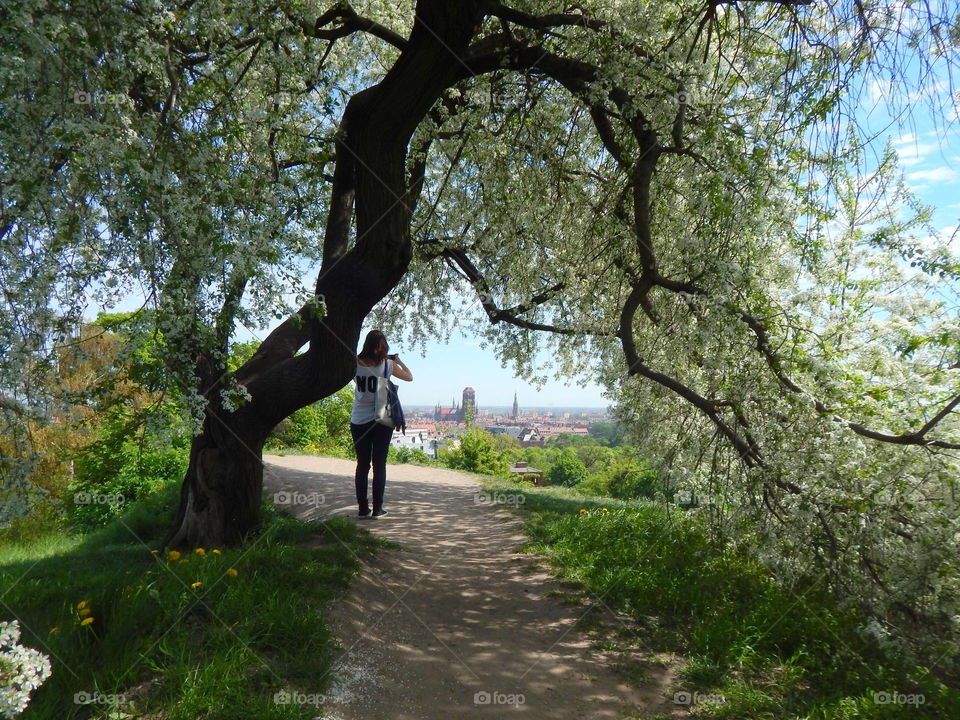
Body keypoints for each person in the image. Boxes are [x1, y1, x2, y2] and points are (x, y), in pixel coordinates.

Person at [349, 330, 413, 518]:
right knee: (379, 465)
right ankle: (378, 509)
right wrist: (399, 361)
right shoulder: (388, 365)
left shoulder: (354, 363)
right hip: (382, 420)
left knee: (362, 465)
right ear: (384, 347)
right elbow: (409, 377)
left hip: (358, 419)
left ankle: (362, 509)